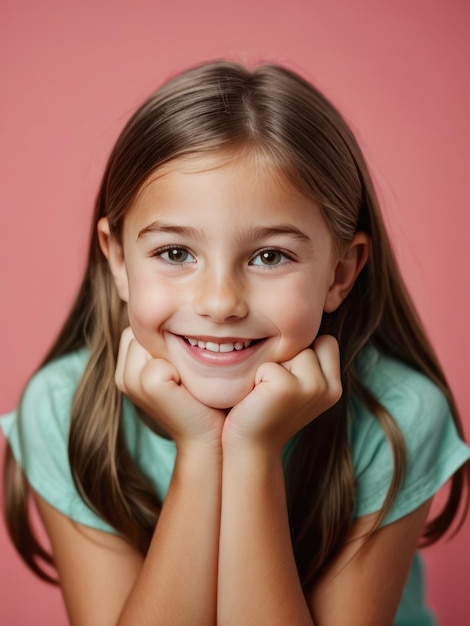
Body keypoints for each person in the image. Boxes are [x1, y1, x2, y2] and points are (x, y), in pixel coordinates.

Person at [2, 60, 469, 626]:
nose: (220, 302)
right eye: (176, 254)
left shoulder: (396, 417)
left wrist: (252, 453)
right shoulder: (65, 412)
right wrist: (200, 453)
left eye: (270, 256)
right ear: (119, 260)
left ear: (341, 273)